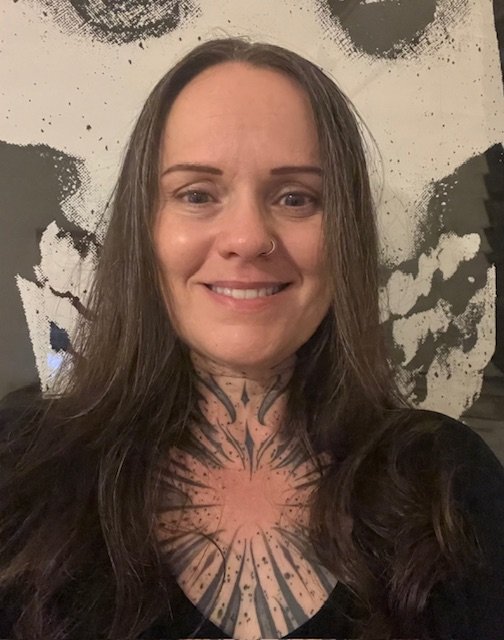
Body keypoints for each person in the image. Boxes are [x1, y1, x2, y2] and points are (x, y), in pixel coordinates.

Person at [0, 37, 503, 640]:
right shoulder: (21, 467)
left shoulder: (447, 482)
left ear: (345, 233)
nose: (246, 237)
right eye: (196, 194)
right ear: (145, 229)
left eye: (296, 197)